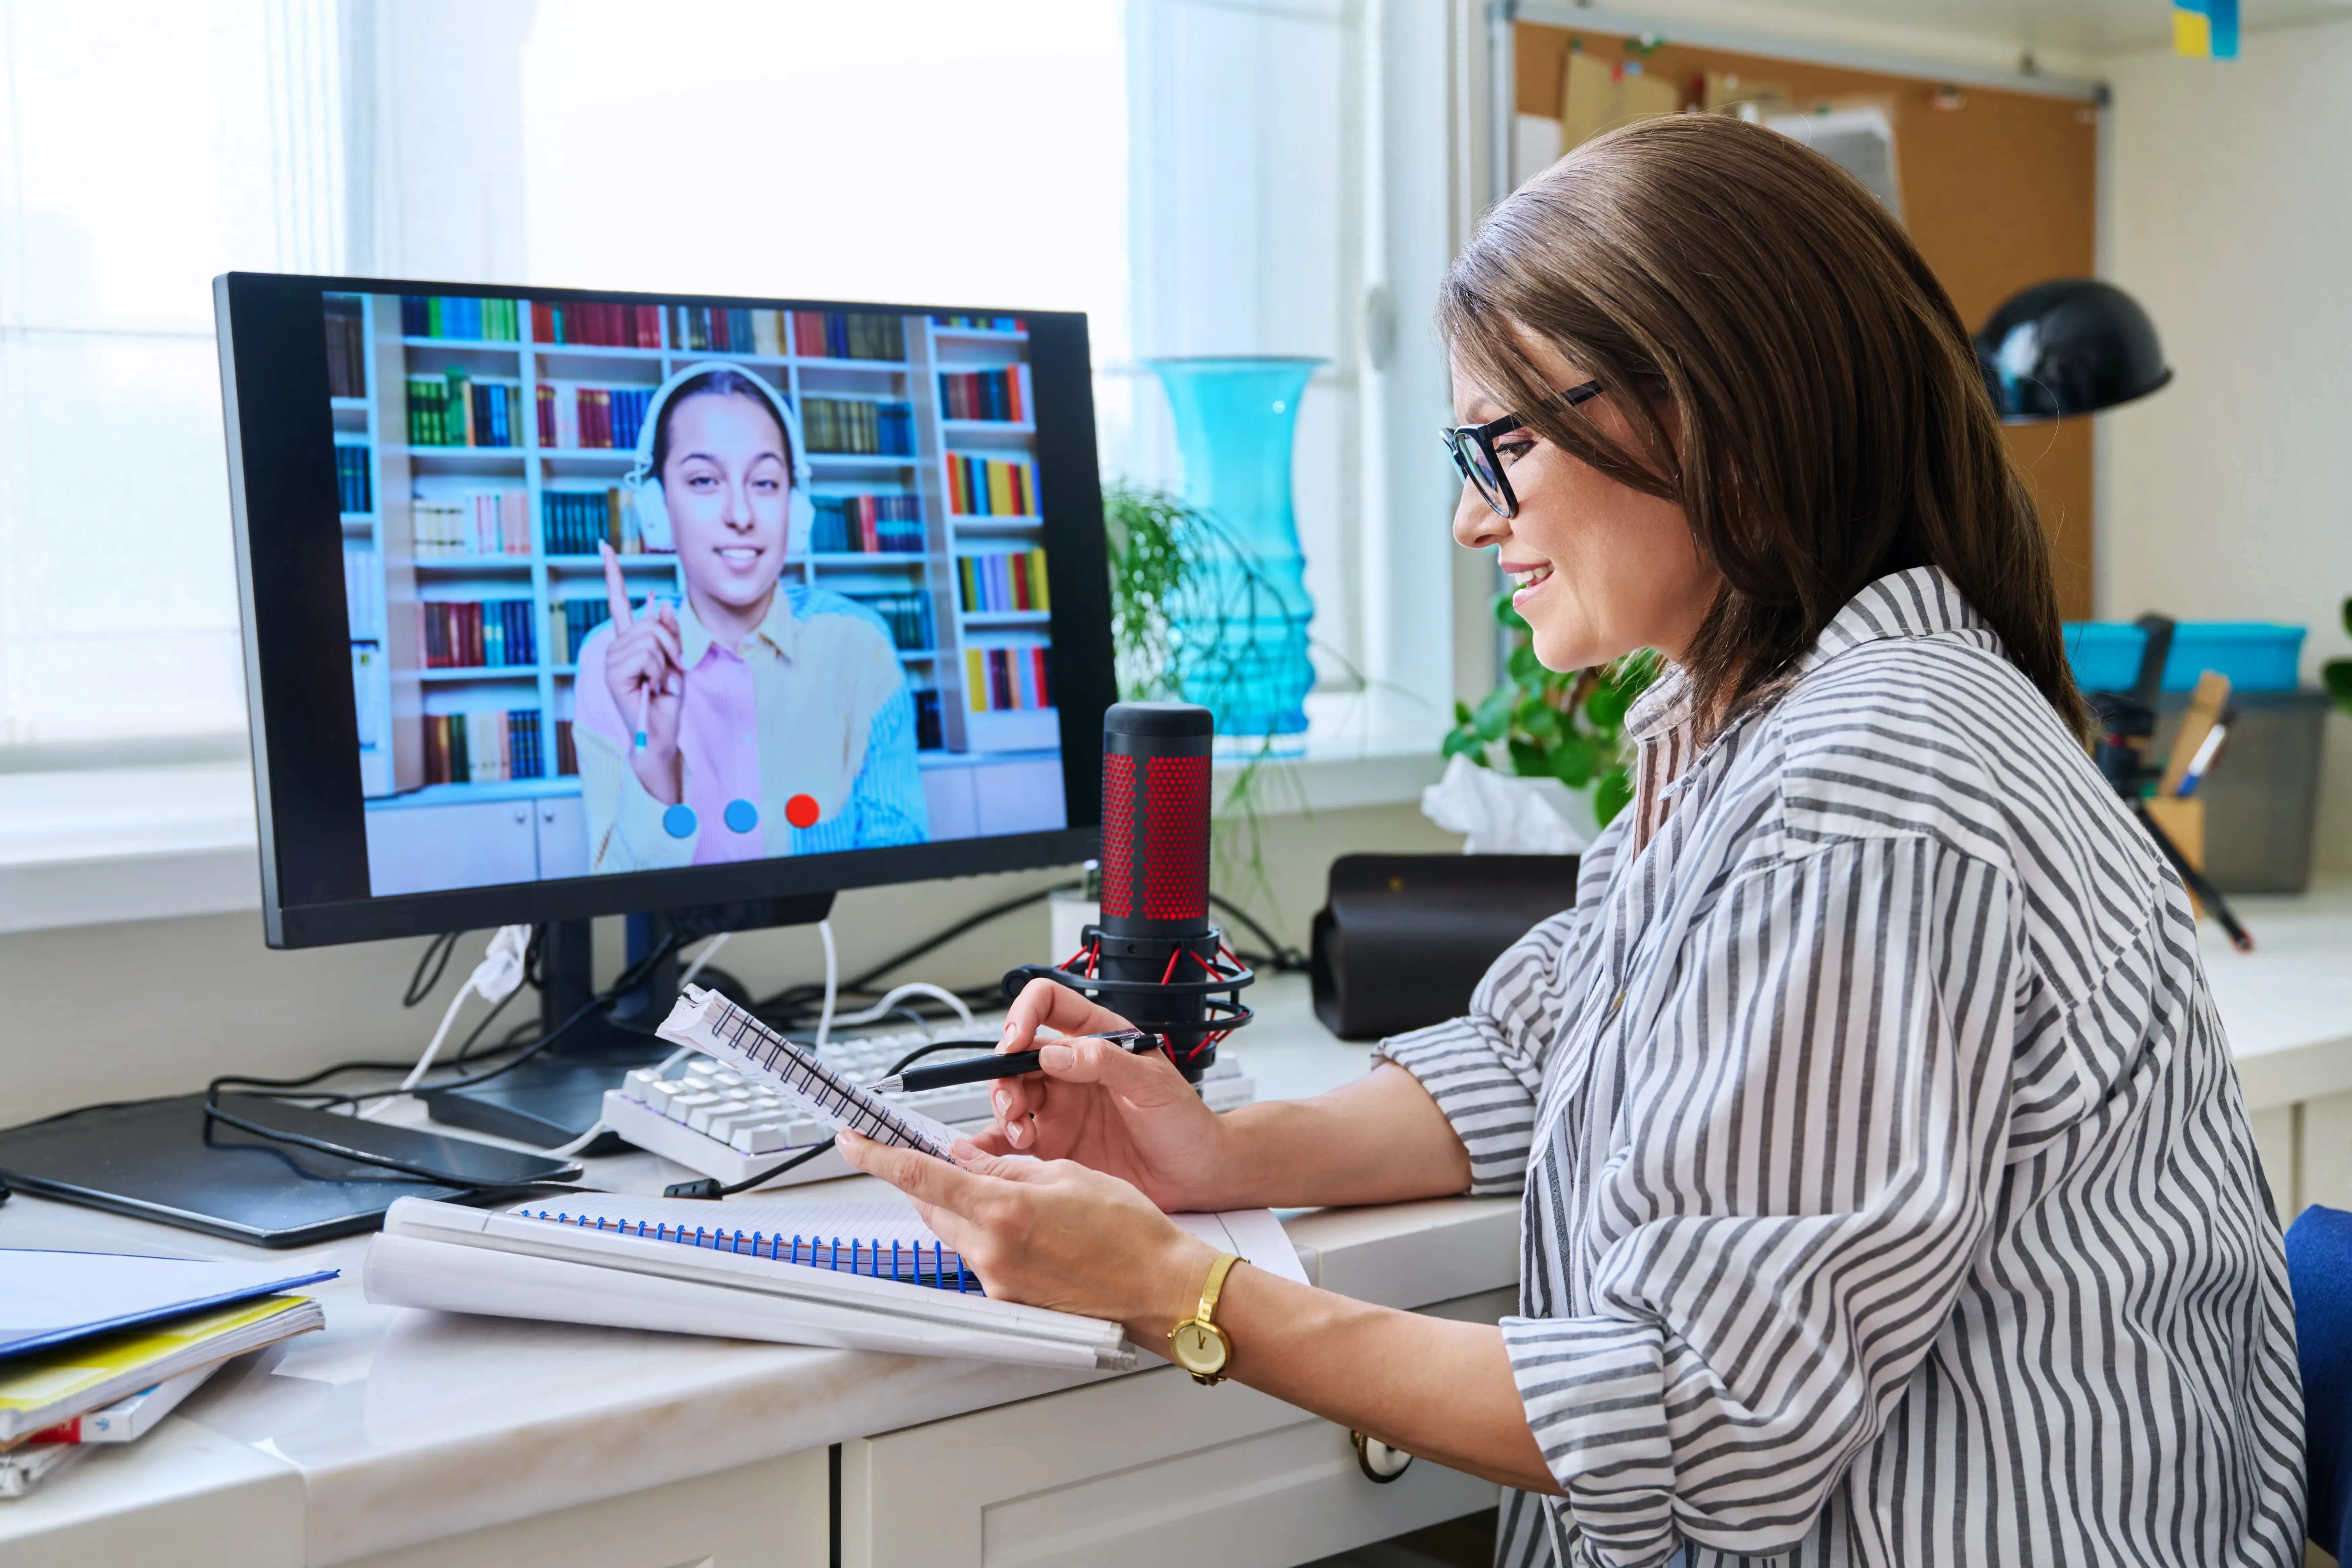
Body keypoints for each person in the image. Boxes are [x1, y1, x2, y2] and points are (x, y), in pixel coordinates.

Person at [840, 115, 2305, 1567]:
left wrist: (1182, 1289)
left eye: (1506, 445)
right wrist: (1213, 1151)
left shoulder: (1866, 781)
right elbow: (1551, 1048)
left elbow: (1700, 1414)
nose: (1472, 521)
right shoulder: (1738, 725)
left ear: (1715, 414)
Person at [573, 365, 927, 871]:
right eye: (703, 481)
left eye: (765, 483)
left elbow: (900, 867)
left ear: (795, 509)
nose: (741, 515)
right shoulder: (612, 660)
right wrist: (654, 763)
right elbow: (616, 901)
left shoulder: (858, 645)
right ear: (657, 507)